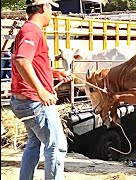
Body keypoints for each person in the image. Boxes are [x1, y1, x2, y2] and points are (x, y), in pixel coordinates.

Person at [10, 0, 73, 179]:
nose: (52, 13)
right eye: (51, 9)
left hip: (23, 100)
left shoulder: (27, 30)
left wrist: (54, 73)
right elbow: (21, 61)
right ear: (43, 7)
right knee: (57, 146)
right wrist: (41, 91)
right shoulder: (32, 31)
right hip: (34, 102)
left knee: (34, 143)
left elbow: (29, 63)